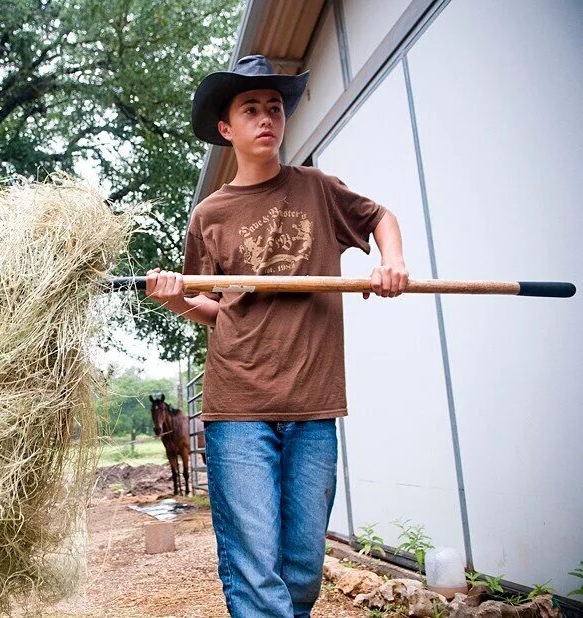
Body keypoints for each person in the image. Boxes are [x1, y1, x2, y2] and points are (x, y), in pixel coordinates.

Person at [145, 54, 408, 618]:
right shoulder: (209, 215)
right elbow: (213, 309)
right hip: (238, 407)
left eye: (274, 108)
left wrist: (392, 262)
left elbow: (380, 217)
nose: (266, 118)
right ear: (226, 128)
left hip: (313, 408)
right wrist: (174, 297)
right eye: (250, 109)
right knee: (253, 564)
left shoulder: (318, 189)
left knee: (301, 568)